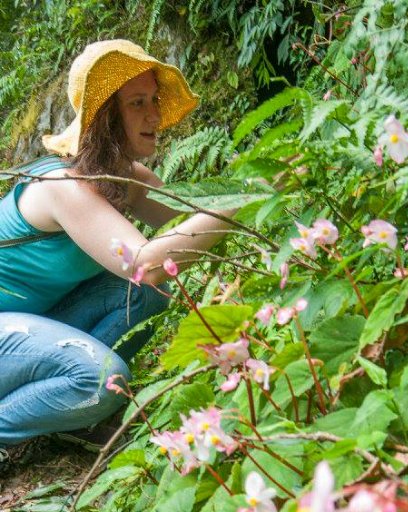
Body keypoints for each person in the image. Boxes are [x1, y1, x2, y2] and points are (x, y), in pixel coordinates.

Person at [0, 39, 235, 471]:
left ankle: (65, 415)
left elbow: (190, 222)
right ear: (106, 117)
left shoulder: (124, 177)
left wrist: (262, 199)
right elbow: (146, 263)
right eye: (137, 103)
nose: (155, 115)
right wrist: (237, 206)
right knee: (102, 379)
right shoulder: (65, 188)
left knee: (146, 297)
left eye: (154, 100)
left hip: (35, 326)